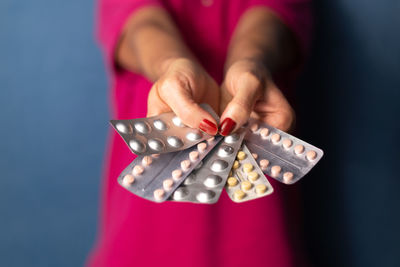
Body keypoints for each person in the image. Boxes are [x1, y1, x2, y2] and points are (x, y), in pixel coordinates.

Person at [87, 0, 311, 266]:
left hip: (257, 232)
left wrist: (250, 64)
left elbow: (272, 22)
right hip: (146, 227)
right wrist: (171, 66)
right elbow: (141, 27)